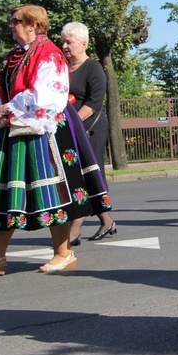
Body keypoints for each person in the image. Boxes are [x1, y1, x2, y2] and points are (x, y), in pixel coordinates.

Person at [0, 5, 109, 275]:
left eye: (15, 21)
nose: (11, 25)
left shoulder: (49, 53)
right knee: (9, 190)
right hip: (14, 128)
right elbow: (1, 87)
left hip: (44, 130)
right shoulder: (16, 56)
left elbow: (46, 96)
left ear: (33, 25)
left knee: (49, 190)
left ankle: (64, 252)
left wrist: (7, 108)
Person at [61, 21, 117, 243]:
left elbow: (94, 103)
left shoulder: (93, 68)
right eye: (63, 41)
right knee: (75, 176)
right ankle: (107, 220)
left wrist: (71, 122)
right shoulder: (62, 68)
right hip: (68, 128)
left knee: (88, 173)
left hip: (89, 129)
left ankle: (75, 229)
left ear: (83, 44)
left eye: (69, 41)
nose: (64, 45)